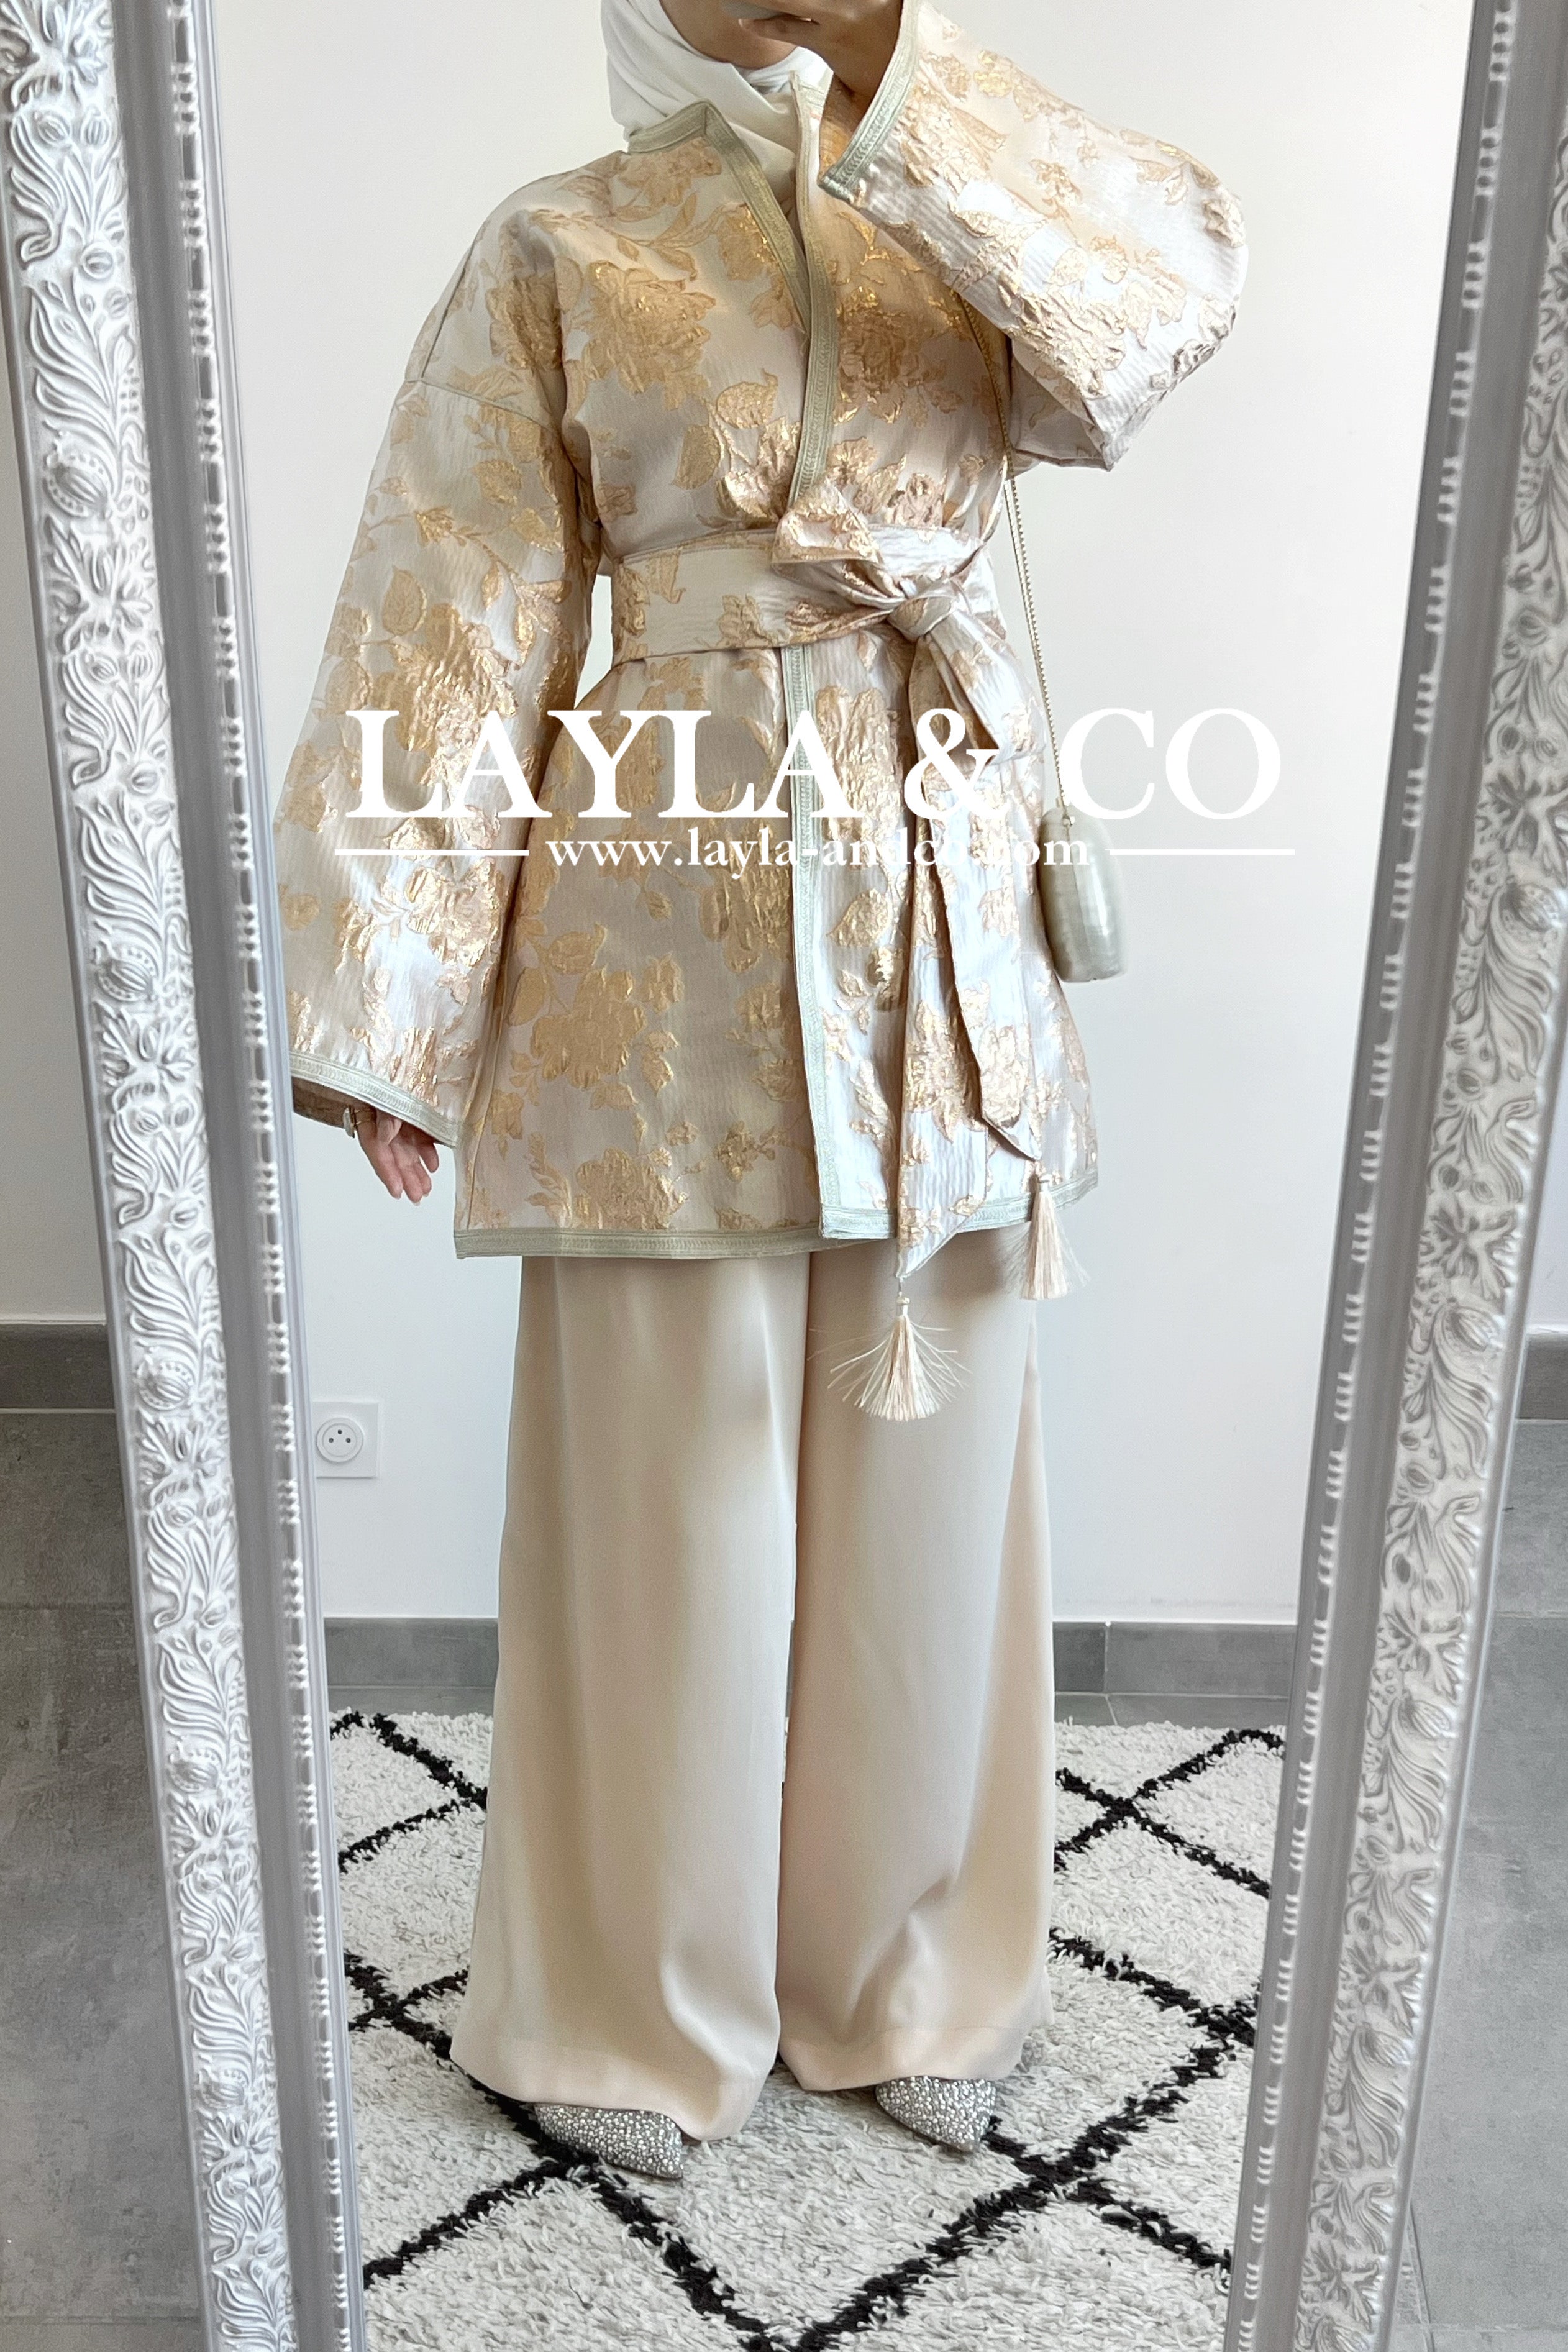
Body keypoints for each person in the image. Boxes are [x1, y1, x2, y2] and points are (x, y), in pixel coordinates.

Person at [275, 0, 1245, 2180]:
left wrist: (898, 67)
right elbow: (448, 617)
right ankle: (627, 2003)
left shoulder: (972, 217)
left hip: (941, 922)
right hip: (655, 941)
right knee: (658, 1492)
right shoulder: (562, 243)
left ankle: (909, 1969)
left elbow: (1164, 304)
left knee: (933, 1489)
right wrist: (389, 1006)